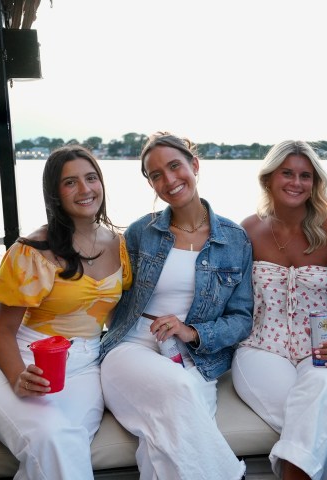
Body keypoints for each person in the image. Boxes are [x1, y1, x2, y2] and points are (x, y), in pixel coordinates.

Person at [98, 131, 253, 480]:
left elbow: (242, 318)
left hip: (196, 358)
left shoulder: (234, 239)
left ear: (194, 165)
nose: (168, 179)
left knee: (161, 441)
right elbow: (108, 295)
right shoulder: (140, 232)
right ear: (150, 183)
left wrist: (192, 331)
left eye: (174, 166)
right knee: (180, 391)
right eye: (155, 174)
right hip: (132, 349)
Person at [0, 145, 132, 480]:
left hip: (85, 368)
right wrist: (18, 377)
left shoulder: (120, 244)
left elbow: (125, 314)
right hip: (25, 362)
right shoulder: (32, 252)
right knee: (53, 438)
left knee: (64, 445)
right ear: (54, 193)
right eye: (70, 183)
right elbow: (1, 332)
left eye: (91, 178)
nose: (85, 189)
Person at [231, 140, 327, 480]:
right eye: (287, 173)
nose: (296, 182)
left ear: (315, 183)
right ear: (270, 177)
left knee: (326, 391)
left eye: (306, 176)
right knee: (315, 421)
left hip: (319, 349)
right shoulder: (248, 230)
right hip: (259, 350)